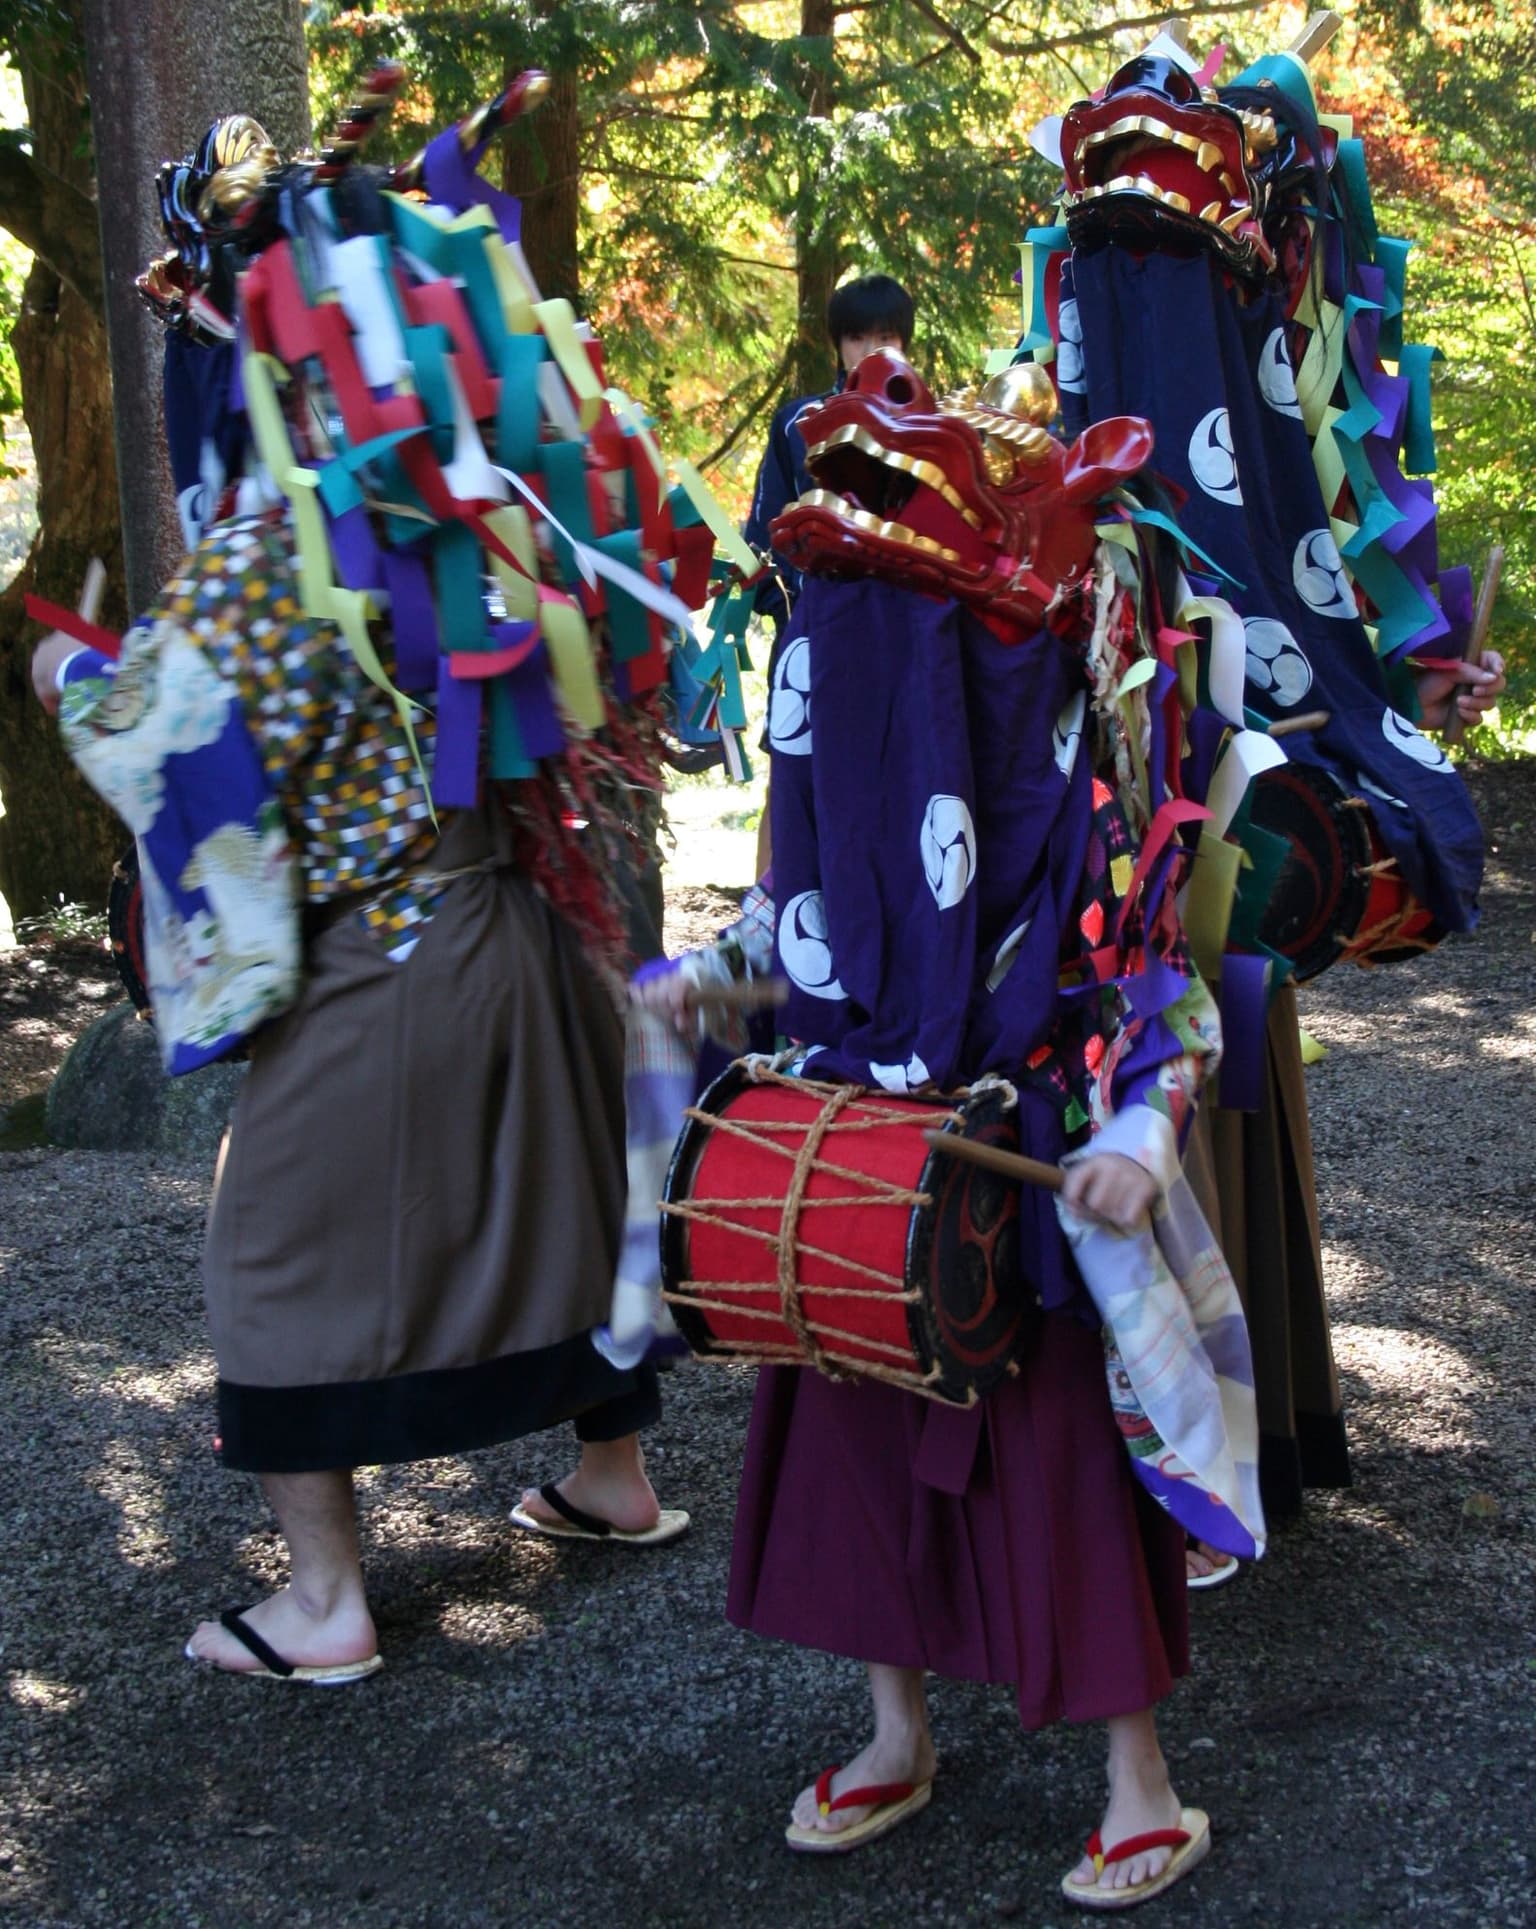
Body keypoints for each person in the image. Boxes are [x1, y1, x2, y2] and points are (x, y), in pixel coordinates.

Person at [31, 82, 696, 1684]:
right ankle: (613, 1473)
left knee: (267, 1249)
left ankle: (324, 1600)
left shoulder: (284, 546)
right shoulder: (504, 503)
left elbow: (161, 734)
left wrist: (65, 671)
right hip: (529, 926)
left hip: (384, 951)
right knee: (564, 1198)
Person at [639, 353, 1264, 1908]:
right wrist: (706, 981)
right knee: (850, 1465)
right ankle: (894, 1729)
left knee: (1058, 1473)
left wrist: (1142, 1125)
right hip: (858, 1157)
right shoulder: (847, 653)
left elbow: (1163, 988)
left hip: (1018, 1158)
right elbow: (800, 907)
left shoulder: (1066, 713)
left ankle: (1142, 1783)